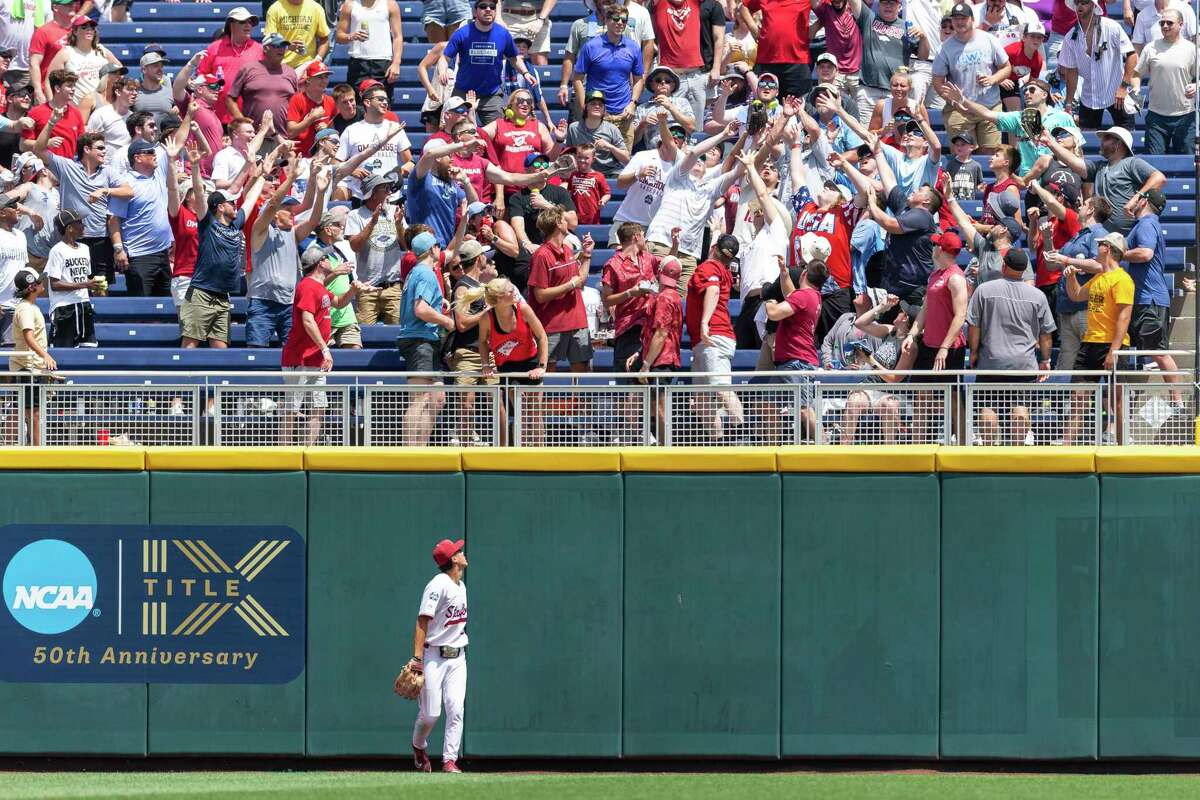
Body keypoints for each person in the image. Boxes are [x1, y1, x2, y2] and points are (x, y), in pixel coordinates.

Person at [181, 146, 272, 349]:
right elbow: (198, 190)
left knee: (221, 349)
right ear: (220, 207)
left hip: (223, 296)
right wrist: (195, 167)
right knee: (190, 345)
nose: (236, 205)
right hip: (201, 293)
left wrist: (263, 175)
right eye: (231, 202)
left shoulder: (235, 224)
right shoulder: (208, 223)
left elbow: (249, 200)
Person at [966, 248, 1057, 445]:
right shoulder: (1038, 295)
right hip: (1023, 364)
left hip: (991, 360)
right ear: (1024, 270)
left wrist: (973, 352)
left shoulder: (984, 290)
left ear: (1003, 266)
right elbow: (1046, 334)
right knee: (1021, 404)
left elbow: (973, 327)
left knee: (988, 406)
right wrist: (1046, 360)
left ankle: (988, 452)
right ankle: (1016, 452)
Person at [645, 122, 742, 294]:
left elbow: (736, 171)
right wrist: (724, 135)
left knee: (679, 305)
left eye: (703, 161)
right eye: (698, 159)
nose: (699, 160)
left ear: (706, 169)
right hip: (661, 242)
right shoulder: (677, 176)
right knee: (651, 296)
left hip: (689, 255)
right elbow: (694, 152)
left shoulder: (710, 188)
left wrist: (753, 140)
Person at [280, 245, 362, 445]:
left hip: (316, 359)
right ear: (320, 264)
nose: (330, 262)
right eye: (326, 260)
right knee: (292, 408)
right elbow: (307, 321)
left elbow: (339, 302)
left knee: (319, 407)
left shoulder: (319, 286)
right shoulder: (307, 286)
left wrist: (353, 290)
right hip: (299, 358)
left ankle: (309, 450)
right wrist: (326, 349)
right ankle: (284, 452)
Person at [1061, 232, 1134, 444]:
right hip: (1090, 342)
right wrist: (1071, 277)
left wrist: (1114, 351)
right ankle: (1067, 447)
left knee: (1118, 400)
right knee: (1078, 398)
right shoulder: (1100, 277)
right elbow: (1076, 295)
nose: (1097, 248)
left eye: (1100, 245)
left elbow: (1124, 316)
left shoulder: (1122, 279)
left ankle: (1122, 447)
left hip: (1112, 345)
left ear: (1108, 249)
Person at [409, 538, 469, 775]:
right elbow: (422, 619)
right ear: (453, 559)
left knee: (456, 709)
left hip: (457, 658)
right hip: (433, 655)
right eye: (459, 551)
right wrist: (416, 659)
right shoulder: (438, 584)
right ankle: (418, 746)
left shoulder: (461, 586)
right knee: (431, 714)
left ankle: (449, 760)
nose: (463, 552)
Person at [465, 276, 548, 444]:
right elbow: (482, 342)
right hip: (508, 367)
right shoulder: (486, 318)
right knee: (522, 411)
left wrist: (541, 366)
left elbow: (542, 337)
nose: (515, 292)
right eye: (510, 291)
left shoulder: (523, 309)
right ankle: (523, 453)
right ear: (499, 298)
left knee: (535, 411)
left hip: (530, 362)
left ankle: (540, 452)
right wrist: (486, 364)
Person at [1042, 125, 1166, 235]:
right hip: (1101, 236)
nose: (1102, 142)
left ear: (1118, 144)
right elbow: (1074, 161)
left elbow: (1159, 178)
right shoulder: (1099, 167)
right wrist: (1051, 143)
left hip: (1126, 238)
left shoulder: (1132, 163)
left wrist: (1136, 197)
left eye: (1106, 138)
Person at [905, 230, 968, 442]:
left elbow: (960, 315)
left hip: (950, 349)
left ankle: (962, 443)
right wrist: (912, 335)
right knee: (922, 395)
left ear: (941, 249)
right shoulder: (935, 275)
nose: (933, 248)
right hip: (928, 344)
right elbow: (925, 309)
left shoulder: (956, 277)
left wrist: (944, 347)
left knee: (953, 396)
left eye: (936, 245)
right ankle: (918, 444)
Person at [1123, 187, 1183, 403]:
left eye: (1138, 197)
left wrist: (1119, 253)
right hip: (1143, 299)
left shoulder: (1147, 224)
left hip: (1150, 299)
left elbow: (1146, 253)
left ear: (1144, 202)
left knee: (1158, 352)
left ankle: (1178, 403)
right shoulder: (1144, 224)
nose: (1134, 200)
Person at [397, 231, 455, 445]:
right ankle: (411, 452)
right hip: (419, 340)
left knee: (437, 398)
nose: (440, 250)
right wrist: (446, 321)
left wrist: (440, 307)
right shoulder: (425, 273)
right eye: (438, 246)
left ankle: (423, 449)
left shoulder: (416, 272)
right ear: (432, 249)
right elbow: (420, 309)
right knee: (419, 398)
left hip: (426, 340)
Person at [931, 3, 1010, 155]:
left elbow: (1006, 67)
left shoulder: (989, 39)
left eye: (963, 18)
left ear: (972, 20)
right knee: (963, 156)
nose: (959, 22)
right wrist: (953, 101)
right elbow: (937, 81)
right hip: (960, 109)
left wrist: (993, 79)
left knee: (991, 155)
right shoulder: (944, 48)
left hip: (990, 106)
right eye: (956, 19)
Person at [440, 0, 535, 125]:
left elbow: (514, 58)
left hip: (491, 95)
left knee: (498, 134)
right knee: (458, 132)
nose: (488, 9)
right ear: (475, 11)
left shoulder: (503, 34)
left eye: (492, 6)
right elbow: (445, 58)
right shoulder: (462, 33)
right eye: (483, 6)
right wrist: (442, 71)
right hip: (463, 92)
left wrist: (525, 72)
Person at [685, 234, 742, 441]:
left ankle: (739, 438)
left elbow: (713, 290)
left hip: (713, 335)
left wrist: (704, 322)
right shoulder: (723, 268)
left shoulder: (708, 267)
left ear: (714, 247)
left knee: (721, 388)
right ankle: (717, 440)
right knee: (701, 398)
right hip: (706, 339)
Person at [765, 259, 828, 439]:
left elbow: (774, 313)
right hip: (791, 362)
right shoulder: (811, 295)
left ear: (804, 274)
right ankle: (773, 450)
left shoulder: (804, 296)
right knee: (767, 405)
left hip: (797, 362)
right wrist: (784, 273)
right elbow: (791, 295)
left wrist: (768, 300)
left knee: (804, 410)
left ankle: (826, 451)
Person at [1045, 195, 1109, 373]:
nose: (1079, 207)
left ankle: (1093, 399)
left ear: (1090, 210)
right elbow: (1052, 265)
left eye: (1083, 205)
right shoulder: (1077, 236)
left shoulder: (1099, 234)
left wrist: (1066, 259)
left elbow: (1101, 265)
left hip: (1087, 307)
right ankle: (1067, 400)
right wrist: (1048, 239)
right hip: (1067, 307)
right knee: (1067, 358)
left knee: (1088, 359)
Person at [105, 137, 174, 297]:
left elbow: (178, 141)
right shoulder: (125, 184)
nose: (155, 155)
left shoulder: (159, 174)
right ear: (138, 157)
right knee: (143, 311)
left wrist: (190, 115)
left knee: (166, 311)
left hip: (163, 254)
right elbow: (114, 219)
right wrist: (118, 250)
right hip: (139, 257)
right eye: (150, 152)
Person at [446, 239, 498, 444]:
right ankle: (466, 444)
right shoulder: (463, 287)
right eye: (484, 255)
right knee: (466, 404)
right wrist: (487, 313)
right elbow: (462, 323)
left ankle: (502, 447)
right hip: (467, 353)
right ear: (479, 260)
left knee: (497, 402)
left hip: (488, 352)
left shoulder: (482, 287)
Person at [528, 205, 593, 372]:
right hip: (551, 325)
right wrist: (570, 285)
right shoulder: (541, 255)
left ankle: (577, 400)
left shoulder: (567, 249)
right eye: (565, 219)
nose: (568, 221)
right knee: (545, 373)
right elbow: (540, 295)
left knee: (582, 370)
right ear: (558, 223)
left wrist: (586, 255)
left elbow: (580, 280)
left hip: (577, 321)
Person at [1058, 0, 1137, 129]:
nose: (1080, 6)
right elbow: (1072, 72)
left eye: (1084, 2)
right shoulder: (1069, 37)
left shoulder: (1111, 26)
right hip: (1089, 97)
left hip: (1117, 93)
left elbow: (1132, 56)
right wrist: (1068, 104)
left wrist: (1123, 87)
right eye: (1077, 3)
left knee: (1126, 140)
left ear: (1094, 5)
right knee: (1086, 142)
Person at [572, 6, 644, 145]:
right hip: (598, 114)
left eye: (624, 20)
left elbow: (638, 80)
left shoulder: (633, 47)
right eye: (616, 19)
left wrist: (632, 104)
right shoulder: (591, 46)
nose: (620, 23)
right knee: (596, 160)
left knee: (623, 159)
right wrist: (584, 107)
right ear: (606, 20)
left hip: (624, 114)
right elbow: (577, 80)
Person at [607, 118, 682, 246]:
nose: (675, 137)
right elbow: (620, 184)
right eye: (671, 134)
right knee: (618, 259)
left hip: (651, 228)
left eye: (680, 137)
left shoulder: (679, 169)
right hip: (626, 220)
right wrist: (638, 175)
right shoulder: (643, 156)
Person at [1135, 9, 1198, 156]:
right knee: (1154, 166)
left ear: (1181, 25)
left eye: (1169, 23)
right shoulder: (1150, 48)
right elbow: (1136, 74)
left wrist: (1197, 86)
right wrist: (1136, 89)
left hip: (1185, 116)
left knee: (1186, 164)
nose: (1164, 26)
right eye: (1162, 23)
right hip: (1156, 117)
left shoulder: (1191, 49)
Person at [336, 84, 412, 199]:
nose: (385, 103)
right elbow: (335, 163)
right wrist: (351, 170)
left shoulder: (395, 127)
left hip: (391, 196)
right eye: (380, 99)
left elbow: (410, 162)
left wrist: (398, 172)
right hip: (361, 197)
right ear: (367, 102)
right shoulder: (351, 130)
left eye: (386, 100)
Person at [8, 269, 53, 445]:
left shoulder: (30, 307)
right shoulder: (26, 309)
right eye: (39, 282)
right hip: (27, 368)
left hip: (31, 367)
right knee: (32, 412)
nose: (43, 283)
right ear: (31, 287)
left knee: (22, 410)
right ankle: (37, 452)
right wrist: (46, 356)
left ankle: (7, 446)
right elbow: (29, 336)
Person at [199, 7, 265, 127]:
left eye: (250, 22)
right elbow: (201, 76)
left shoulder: (259, 49)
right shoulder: (214, 48)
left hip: (250, 118)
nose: (247, 25)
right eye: (242, 22)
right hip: (217, 117)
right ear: (231, 25)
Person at [44, 207, 101, 347]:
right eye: (80, 222)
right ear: (69, 228)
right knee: (62, 349)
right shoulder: (57, 251)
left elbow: (83, 278)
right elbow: (55, 285)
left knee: (89, 347)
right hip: (64, 307)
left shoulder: (84, 248)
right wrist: (85, 285)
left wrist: (95, 287)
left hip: (84, 304)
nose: (84, 226)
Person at [228, 34, 299, 142]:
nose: (281, 49)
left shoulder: (291, 72)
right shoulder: (248, 69)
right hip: (252, 138)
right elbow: (230, 99)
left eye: (283, 46)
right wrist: (241, 121)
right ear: (265, 48)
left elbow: (296, 105)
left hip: (282, 138)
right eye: (277, 46)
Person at [741, 0, 813, 98]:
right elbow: (744, 8)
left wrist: (812, 31)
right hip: (767, 60)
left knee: (798, 106)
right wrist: (754, 30)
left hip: (797, 62)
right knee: (764, 105)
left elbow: (825, 10)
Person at [40, 15, 118, 106]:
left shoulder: (101, 50)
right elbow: (50, 81)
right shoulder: (66, 53)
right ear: (75, 31)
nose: (89, 30)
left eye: (92, 27)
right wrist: (52, 106)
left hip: (102, 106)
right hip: (77, 108)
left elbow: (119, 70)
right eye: (84, 27)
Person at [335, 0, 403, 96]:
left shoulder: (390, 4)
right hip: (358, 62)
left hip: (382, 62)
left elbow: (398, 37)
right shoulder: (350, 5)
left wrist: (396, 63)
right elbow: (339, 36)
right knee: (357, 105)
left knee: (382, 103)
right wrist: (351, 36)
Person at [566, 90, 632, 179]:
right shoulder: (574, 128)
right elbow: (568, 156)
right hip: (584, 173)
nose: (597, 106)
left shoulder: (612, 129)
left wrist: (610, 147)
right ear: (586, 107)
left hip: (610, 173)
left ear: (604, 110)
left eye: (601, 105)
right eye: (593, 103)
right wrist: (560, 139)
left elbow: (626, 159)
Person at [23, 69, 82, 158]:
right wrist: (46, 143)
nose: (73, 89)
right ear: (57, 88)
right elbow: (23, 145)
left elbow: (81, 142)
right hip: (44, 168)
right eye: (69, 86)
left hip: (68, 168)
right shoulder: (36, 113)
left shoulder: (76, 113)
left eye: (74, 86)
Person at [27, 0, 74, 106]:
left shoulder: (78, 30)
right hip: (50, 90)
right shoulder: (43, 31)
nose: (72, 6)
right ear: (55, 7)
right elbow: (34, 63)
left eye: (73, 3)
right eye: (67, 4)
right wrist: (38, 91)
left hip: (73, 90)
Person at [287, 60, 337, 157]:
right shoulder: (297, 99)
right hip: (300, 157)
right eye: (319, 77)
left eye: (326, 77)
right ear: (309, 80)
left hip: (323, 158)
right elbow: (290, 132)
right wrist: (311, 119)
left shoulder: (331, 101)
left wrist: (327, 130)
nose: (324, 81)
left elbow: (337, 131)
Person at [264, 0, 332, 69]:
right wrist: (287, 47)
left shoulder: (316, 8)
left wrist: (318, 59)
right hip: (282, 65)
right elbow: (269, 41)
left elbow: (324, 39)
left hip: (307, 66)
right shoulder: (275, 8)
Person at [85, 73, 135, 165]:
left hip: (127, 166)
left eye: (136, 90)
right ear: (118, 92)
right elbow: (89, 141)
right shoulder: (101, 114)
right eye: (130, 90)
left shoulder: (134, 118)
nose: (135, 93)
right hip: (104, 167)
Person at [566, 143, 610, 226]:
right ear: (576, 157)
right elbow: (569, 191)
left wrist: (603, 201)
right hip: (575, 215)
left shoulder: (599, 176)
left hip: (593, 215)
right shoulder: (573, 175)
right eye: (580, 157)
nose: (582, 160)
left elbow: (607, 193)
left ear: (593, 159)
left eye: (586, 158)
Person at [132, 47, 175, 126]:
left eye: (161, 66)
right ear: (144, 70)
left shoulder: (170, 92)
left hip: (164, 137)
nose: (160, 69)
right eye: (155, 66)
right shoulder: (133, 93)